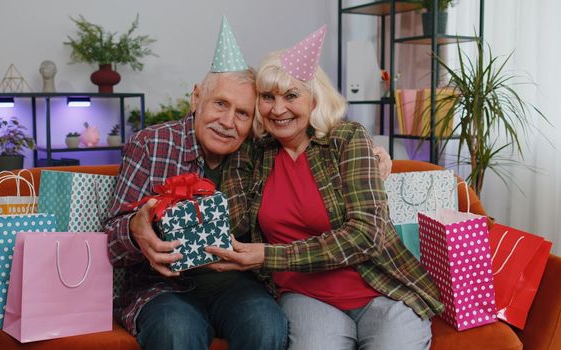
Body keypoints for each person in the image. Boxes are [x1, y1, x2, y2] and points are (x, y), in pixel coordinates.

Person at [206, 26, 444, 350]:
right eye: (267, 97)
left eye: (291, 95)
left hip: (382, 289)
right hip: (306, 297)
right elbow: (232, 221)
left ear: (314, 98)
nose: (278, 109)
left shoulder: (347, 140)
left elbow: (366, 234)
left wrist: (268, 255)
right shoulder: (253, 153)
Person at [104, 17, 288, 350]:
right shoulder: (151, 144)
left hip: (235, 285)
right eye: (220, 104)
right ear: (196, 98)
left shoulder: (259, 154)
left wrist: (372, 150)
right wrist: (135, 230)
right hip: (161, 288)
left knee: (267, 325)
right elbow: (110, 241)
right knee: (176, 331)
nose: (228, 122)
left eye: (242, 113)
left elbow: (313, 141)